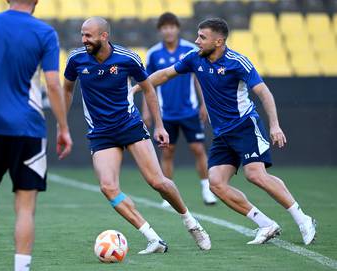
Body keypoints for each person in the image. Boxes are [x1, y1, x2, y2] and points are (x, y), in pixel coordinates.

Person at [131, 18, 316, 245]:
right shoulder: (194, 58)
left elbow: (264, 93)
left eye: (202, 37)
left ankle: (303, 219)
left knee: (255, 174)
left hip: (245, 126)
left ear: (219, 41)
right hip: (222, 134)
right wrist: (136, 88)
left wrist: (275, 125)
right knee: (216, 183)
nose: (197, 41)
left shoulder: (238, 62)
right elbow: (165, 74)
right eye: (197, 36)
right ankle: (266, 224)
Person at [63, 17, 211, 254]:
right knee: (108, 187)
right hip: (101, 132)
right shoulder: (76, 59)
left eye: (88, 36)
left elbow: (149, 89)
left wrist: (160, 126)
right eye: (82, 35)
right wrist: (62, 125)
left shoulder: (127, 58)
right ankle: (153, 238)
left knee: (157, 182)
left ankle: (191, 222)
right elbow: (67, 89)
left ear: (104, 36)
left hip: (129, 125)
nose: (84, 40)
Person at [0, 1, 72, 270]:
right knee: (24, 205)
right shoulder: (44, 33)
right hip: (28, 129)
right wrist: (63, 127)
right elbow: (53, 84)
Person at [144, 12, 217, 207]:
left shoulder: (191, 49)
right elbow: (147, 84)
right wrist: (146, 111)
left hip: (190, 111)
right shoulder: (153, 54)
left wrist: (204, 104)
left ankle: (207, 188)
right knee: (167, 152)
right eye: (165, 27)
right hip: (165, 113)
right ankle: (169, 194)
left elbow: (199, 78)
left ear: (177, 28)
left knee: (198, 149)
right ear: (160, 30)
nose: (169, 30)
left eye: (172, 26)